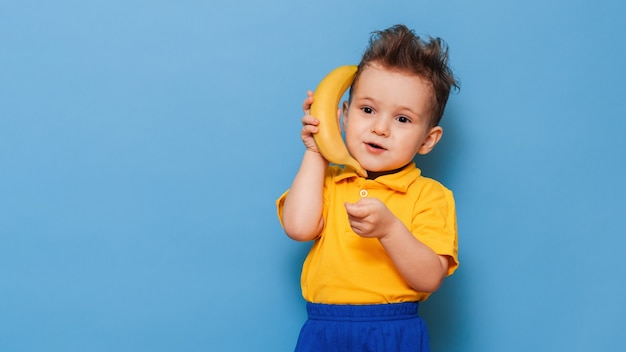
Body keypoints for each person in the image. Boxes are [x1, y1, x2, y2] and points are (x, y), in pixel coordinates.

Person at [276, 24, 460, 351]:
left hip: (394, 329)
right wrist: (316, 152)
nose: (379, 128)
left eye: (402, 119)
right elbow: (299, 227)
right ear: (344, 116)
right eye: (368, 110)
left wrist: (390, 230)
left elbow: (430, 277)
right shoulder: (329, 183)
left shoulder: (430, 196)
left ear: (428, 140)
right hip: (324, 330)